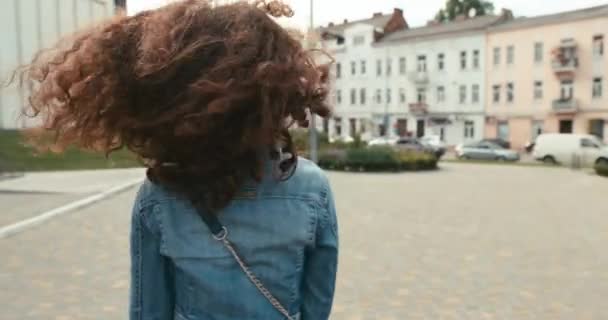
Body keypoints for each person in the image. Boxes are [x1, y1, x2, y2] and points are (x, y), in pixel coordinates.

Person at [20, 0, 338, 319]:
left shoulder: (160, 195)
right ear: (276, 94)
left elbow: (148, 311)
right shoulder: (311, 189)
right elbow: (317, 306)